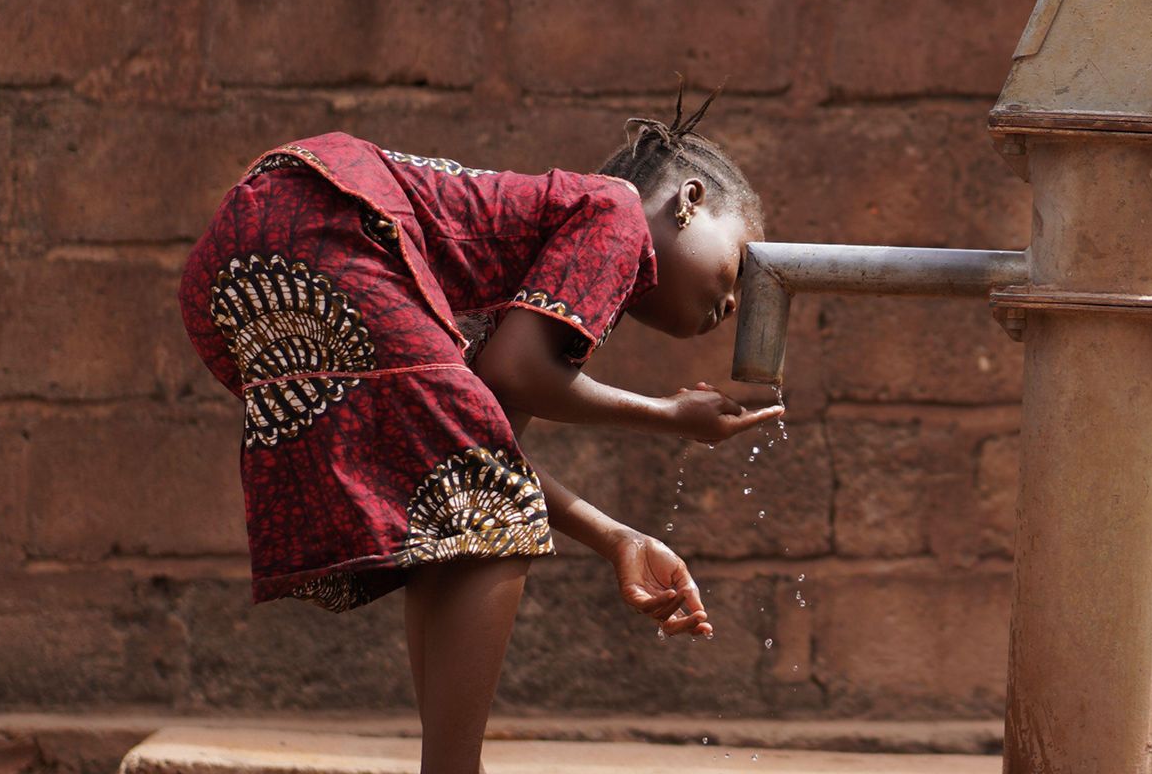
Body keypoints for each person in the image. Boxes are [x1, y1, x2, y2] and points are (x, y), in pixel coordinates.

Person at [178, 88, 782, 771]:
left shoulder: (544, 277)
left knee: (455, 504)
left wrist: (619, 540)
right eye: (737, 266)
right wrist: (671, 417)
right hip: (326, 216)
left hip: (242, 257)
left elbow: (491, 447)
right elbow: (518, 373)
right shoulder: (615, 212)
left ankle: (450, 765)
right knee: (484, 509)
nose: (732, 304)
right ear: (689, 201)